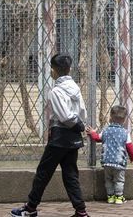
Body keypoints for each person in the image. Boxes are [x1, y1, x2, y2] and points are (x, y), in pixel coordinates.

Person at [11, 54, 89, 217]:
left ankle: (31, 208)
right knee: (70, 175)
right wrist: (79, 124)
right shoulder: (75, 88)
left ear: (53, 70)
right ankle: (81, 211)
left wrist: (76, 124)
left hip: (59, 137)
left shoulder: (56, 91)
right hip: (73, 137)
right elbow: (82, 111)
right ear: (69, 69)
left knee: (43, 173)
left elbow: (65, 116)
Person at [86, 105, 133, 204]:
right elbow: (130, 148)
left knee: (108, 180)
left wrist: (92, 132)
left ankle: (110, 197)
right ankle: (119, 197)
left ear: (110, 118)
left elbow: (97, 138)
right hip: (119, 163)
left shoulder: (106, 130)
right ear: (124, 120)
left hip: (107, 162)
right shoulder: (125, 133)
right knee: (119, 180)